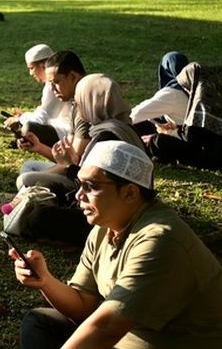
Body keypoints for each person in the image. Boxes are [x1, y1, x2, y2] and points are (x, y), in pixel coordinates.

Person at [11, 140, 222, 349]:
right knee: (39, 323)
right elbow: (84, 304)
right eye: (79, 183)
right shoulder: (104, 229)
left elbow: (106, 326)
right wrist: (45, 281)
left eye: (90, 186)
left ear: (130, 192)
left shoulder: (160, 239)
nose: (78, 195)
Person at [15, 74, 144, 246]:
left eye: (78, 102)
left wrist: (69, 165)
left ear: (92, 102)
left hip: (111, 215)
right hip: (104, 201)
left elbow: (98, 187)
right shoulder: (121, 127)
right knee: (50, 186)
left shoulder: (108, 137)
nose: (76, 107)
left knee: (39, 217)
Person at [144, 62, 222, 171]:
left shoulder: (201, 103)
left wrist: (166, 132)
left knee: (158, 141)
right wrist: (176, 130)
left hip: (217, 162)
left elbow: (191, 139)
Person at [17, 51, 87, 170]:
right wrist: (39, 147)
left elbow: (75, 166)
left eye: (56, 82)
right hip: (75, 169)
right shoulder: (74, 105)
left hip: (84, 178)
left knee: (26, 178)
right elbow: (69, 160)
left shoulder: (86, 111)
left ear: (73, 77)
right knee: (28, 167)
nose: (53, 89)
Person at [5, 44, 73, 150]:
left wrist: (20, 119)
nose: (31, 73)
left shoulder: (54, 84)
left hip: (66, 133)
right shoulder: (51, 84)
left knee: (29, 128)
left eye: (32, 68)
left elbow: (42, 118)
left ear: (43, 66)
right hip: (60, 128)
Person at [129, 51, 190, 137]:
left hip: (183, 138)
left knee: (137, 125)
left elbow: (137, 113)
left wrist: (116, 121)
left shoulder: (172, 93)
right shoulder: (193, 87)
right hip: (190, 133)